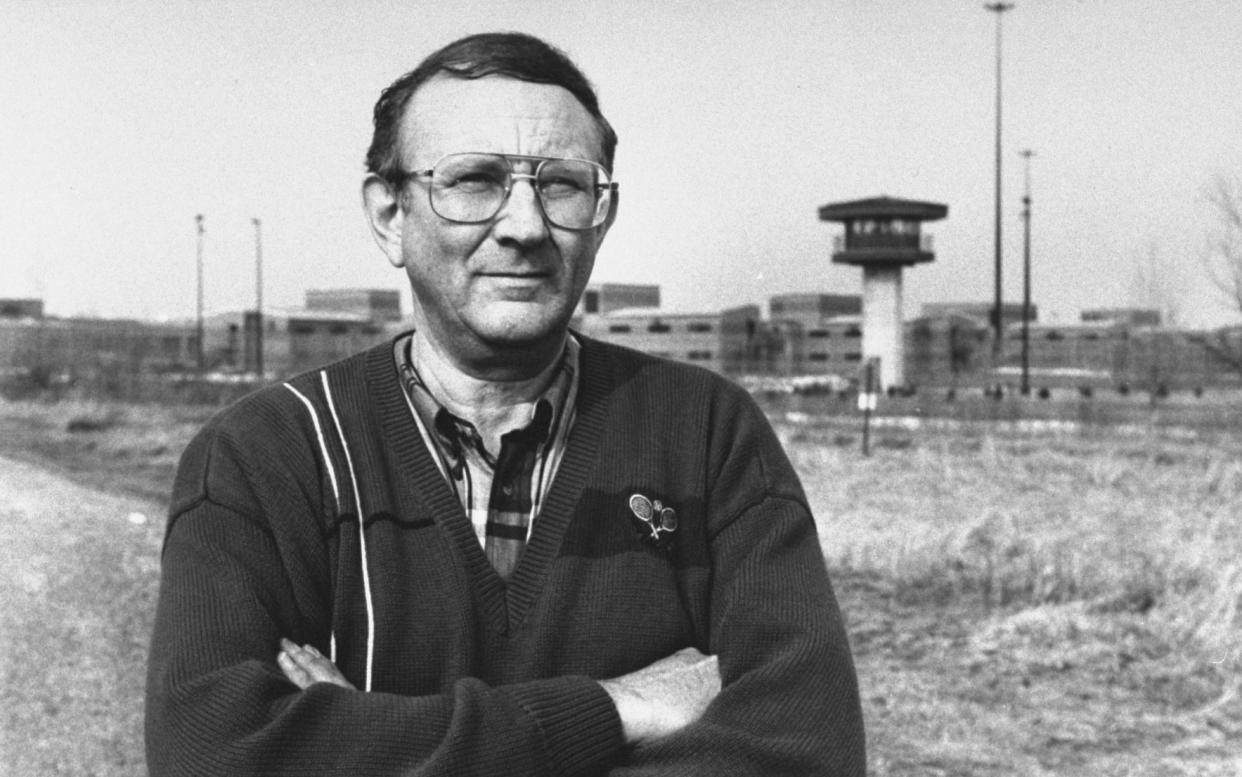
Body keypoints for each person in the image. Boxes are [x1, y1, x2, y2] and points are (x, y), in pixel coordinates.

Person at [145, 31, 865, 776]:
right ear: (391, 215)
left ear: (603, 214)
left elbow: (806, 750)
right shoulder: (266, 455)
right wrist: (613, 711)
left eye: (561, 185)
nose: (524, 226)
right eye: (474, 180)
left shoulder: (708, 433)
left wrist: (362, 741)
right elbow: (213, 754)